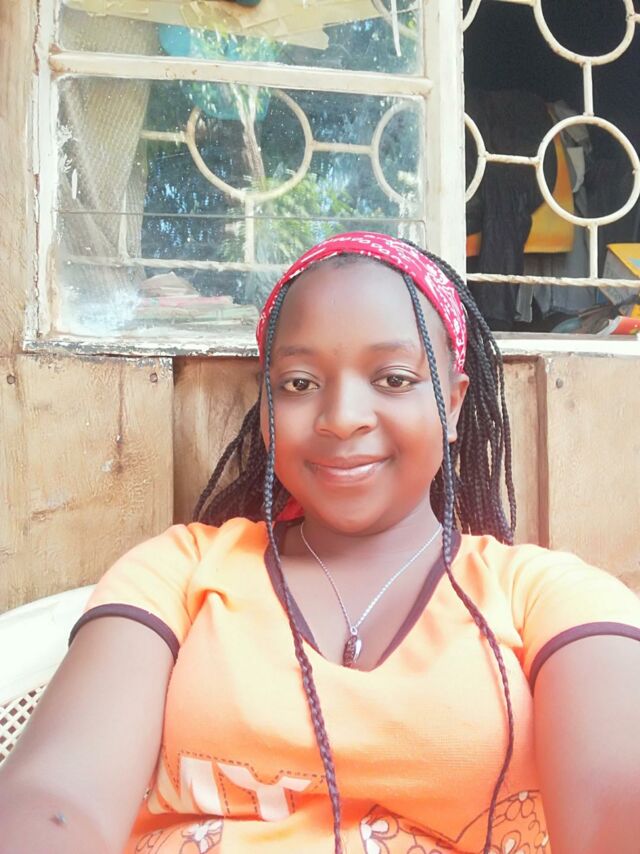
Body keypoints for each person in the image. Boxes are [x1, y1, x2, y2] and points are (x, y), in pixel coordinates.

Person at [1, 232, 639, 854]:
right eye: (300, 383)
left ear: (451, 403)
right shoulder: (180, 572)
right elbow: (57, 798)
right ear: (267, 408)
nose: (341, 418)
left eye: (393, 379)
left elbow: (618, 798)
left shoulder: (547, 596)